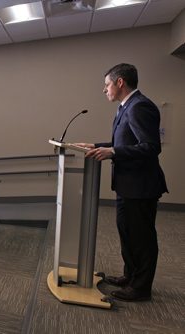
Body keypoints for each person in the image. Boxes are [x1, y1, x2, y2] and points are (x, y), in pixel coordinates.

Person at [77, 63, 167, 302]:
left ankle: (141, 288)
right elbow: (126, 141)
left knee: (141, 238)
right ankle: (131, 276)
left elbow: (150, 147)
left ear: (120, 83)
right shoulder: (126, 107)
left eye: (107, 84)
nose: (104, 90)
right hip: (128, 185)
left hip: (141, 186)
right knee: (127, 233)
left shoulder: (140, 107)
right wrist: (98, 147)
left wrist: (114, 152)